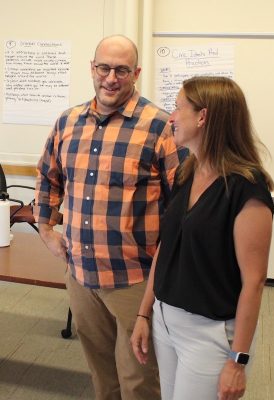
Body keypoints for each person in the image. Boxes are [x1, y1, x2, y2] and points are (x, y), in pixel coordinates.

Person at [34, 34, 187, 400]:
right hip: (81, 273)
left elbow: (182, 205)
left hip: (135, 279)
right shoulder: (68, 122)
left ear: (135, 73)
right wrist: (45, 229)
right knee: (102, 375)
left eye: (121, 70)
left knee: (138, 380)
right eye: (103, 67)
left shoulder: (161, 127)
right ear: (92, 68)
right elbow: (48, 175)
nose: (111, 78)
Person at [131, 76, 274, 400]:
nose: (170, 117)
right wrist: (144, 312)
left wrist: (238, 362)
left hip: (209, 334)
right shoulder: (188, 171)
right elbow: (166, 248)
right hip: (165, 322)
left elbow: (255, 281)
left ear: (203, 117)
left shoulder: (247, 188)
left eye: (178, 108)